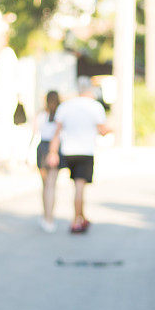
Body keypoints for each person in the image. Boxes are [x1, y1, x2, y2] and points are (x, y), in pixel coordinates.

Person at [45, 77, 110, 234]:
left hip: (68, 151)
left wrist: (52, 152)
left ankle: (81, 216)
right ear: (89, 90)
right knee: (80, 187)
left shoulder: (66, 106)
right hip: (85, 151)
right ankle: (76, 220)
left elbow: (57, 132)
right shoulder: (95, 106)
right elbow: (103, 130)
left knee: (75, 186)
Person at [33, 90, 62, 233]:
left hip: (42, 148)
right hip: (54, 148)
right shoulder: (60, 116)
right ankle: (49, 218)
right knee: (51, 186)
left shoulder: (41, 115)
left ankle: (46, 216)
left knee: (45, 186)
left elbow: (34, 133)